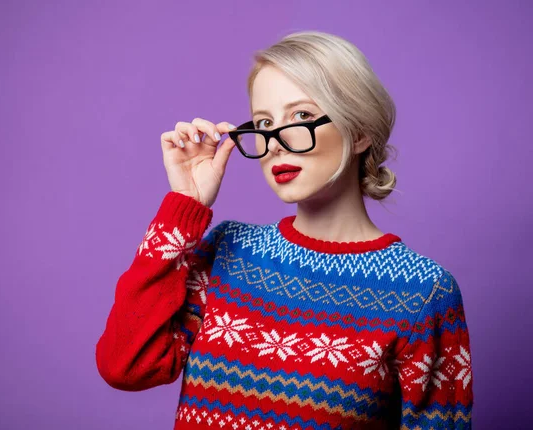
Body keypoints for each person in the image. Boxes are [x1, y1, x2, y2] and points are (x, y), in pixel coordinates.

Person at [95, 30, 473, 429]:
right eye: (263, 122)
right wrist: (185, 206)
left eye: (302, 116)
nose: (275, 142)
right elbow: (127, 366)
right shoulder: (227, 250)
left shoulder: (422, 292)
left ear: (359, 131)